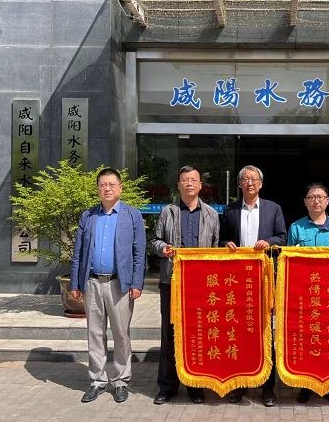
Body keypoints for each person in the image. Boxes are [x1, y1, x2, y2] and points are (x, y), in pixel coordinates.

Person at [70, 167, 146, 403]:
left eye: (112, 184)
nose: (107, 188)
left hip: (119, 284)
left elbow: (139, 252)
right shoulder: (88, 216)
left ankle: (121, 380)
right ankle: (97, 380)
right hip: (92, 282)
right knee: (95, 333)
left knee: (121, 334)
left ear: (120, 188)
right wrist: (75, 283)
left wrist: (137, 282)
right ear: (97, 189)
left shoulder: (132, 215)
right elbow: (78, 253)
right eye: (103, 184)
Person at [150, 166, 220, 405]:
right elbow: (155, 240)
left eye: (193, 180)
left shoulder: (211, 214)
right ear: (178, 185)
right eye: (185, 180)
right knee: (169, 333)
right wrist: (163, 249)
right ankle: (167, 386)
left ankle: (195, 385)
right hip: (171, 281)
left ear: (200, 185)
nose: (189, 183)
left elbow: (216, 248)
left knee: (197, 332)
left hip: (200, 285)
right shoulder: (167, 212)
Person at [220, 164, 287, 406]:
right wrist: (226, 244)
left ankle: (267, 387)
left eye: (254, 179)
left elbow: (283, 237)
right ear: (239, 184)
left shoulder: (273, 208)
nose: (250, 183)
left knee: (265, 331)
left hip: (264, 279)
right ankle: (240, 384)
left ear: (261, 184)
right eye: (245, 179)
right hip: (237, 281)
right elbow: (221, 239)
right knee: (239, 332)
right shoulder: (230, 210)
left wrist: (268, 242)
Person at [288, 182, 329, 406]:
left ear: (327, 201)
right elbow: (288, 262)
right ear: (305, 202)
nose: (316, 200)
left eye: (320, 197)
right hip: (305, 295)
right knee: (307, 339)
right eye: (311, 197)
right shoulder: (296, 228)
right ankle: (307, 385)